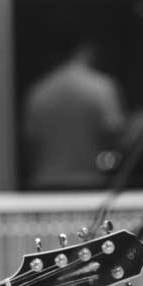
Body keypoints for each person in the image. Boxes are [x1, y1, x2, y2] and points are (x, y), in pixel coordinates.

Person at [20, 30, 129, 188]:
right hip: (88, 182)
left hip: (45, 183)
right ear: (86, 49)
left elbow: (29, 147)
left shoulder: (39, 91)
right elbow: (112, 138)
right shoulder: (101, 87)